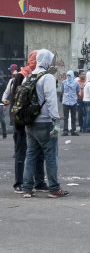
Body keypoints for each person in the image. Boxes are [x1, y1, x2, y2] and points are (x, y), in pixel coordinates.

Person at [22, 49, 69, 198]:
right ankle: (54, 188)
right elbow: (51, 100)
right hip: (45, 122)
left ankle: (27, 188)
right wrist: (56, 121)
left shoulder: (28, 76)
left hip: (30, 122)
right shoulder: (47, 77)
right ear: (47, 60)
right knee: (51, 155)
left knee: (30, 155)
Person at [2, 51, 48, 193]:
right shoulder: (21, 76)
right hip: (21, 120)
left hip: (33, 119)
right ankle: (19, 183)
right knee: (21, 152)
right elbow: (16, 101)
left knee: (38, 152)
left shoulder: (37, 75)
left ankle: (39, 181)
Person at [60, 70, 80, 137]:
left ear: (71, 75)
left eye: (69, 75)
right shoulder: (64, 82)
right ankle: (65, 130)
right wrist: (65, 97)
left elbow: (78, 91)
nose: (67, 76)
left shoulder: (76, 83)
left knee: (73, 117)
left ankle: (73, 130)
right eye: (67, 75)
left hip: (73, 101)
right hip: (65, 102)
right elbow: (62, 91)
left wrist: (74, 97)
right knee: (65, 117)